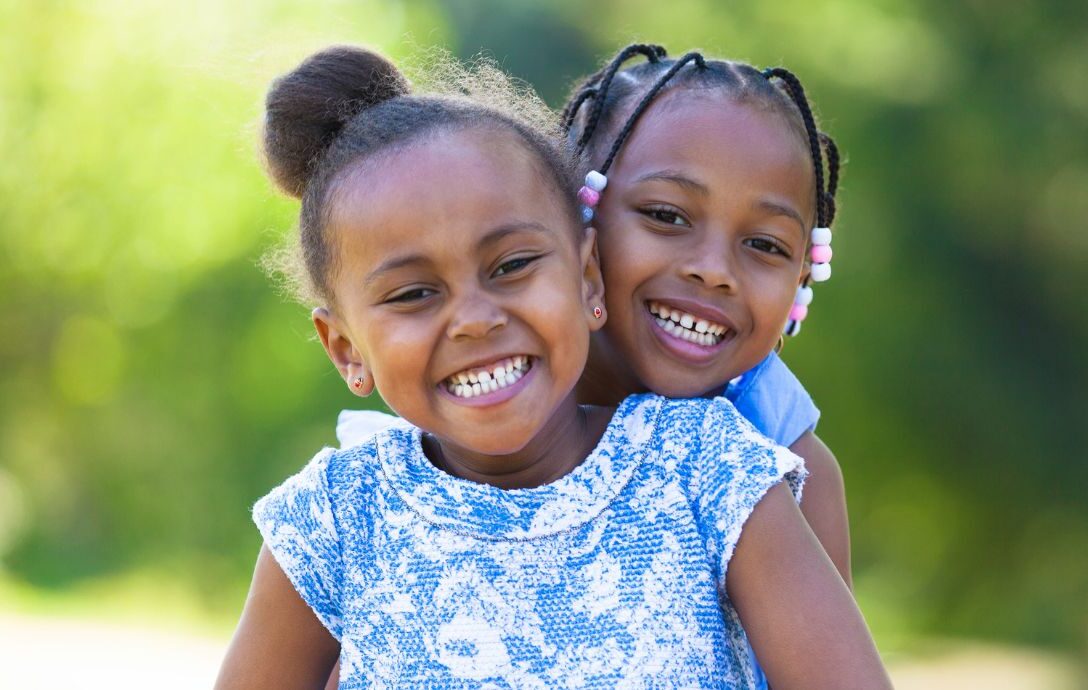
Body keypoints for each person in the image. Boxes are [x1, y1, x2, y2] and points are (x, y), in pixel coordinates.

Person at [216, 45, 889, 688]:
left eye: (511, 266)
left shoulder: (721, 473)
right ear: (345, 349)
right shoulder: (340, 515)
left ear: (585, 272)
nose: (475, 319)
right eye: (415, 293)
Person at [340, 43, 854, 589]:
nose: (714, 271)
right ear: (576, 222)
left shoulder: (790, 471)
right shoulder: (462, 433)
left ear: (802, 275)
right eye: (665, 215)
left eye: (766, 245)